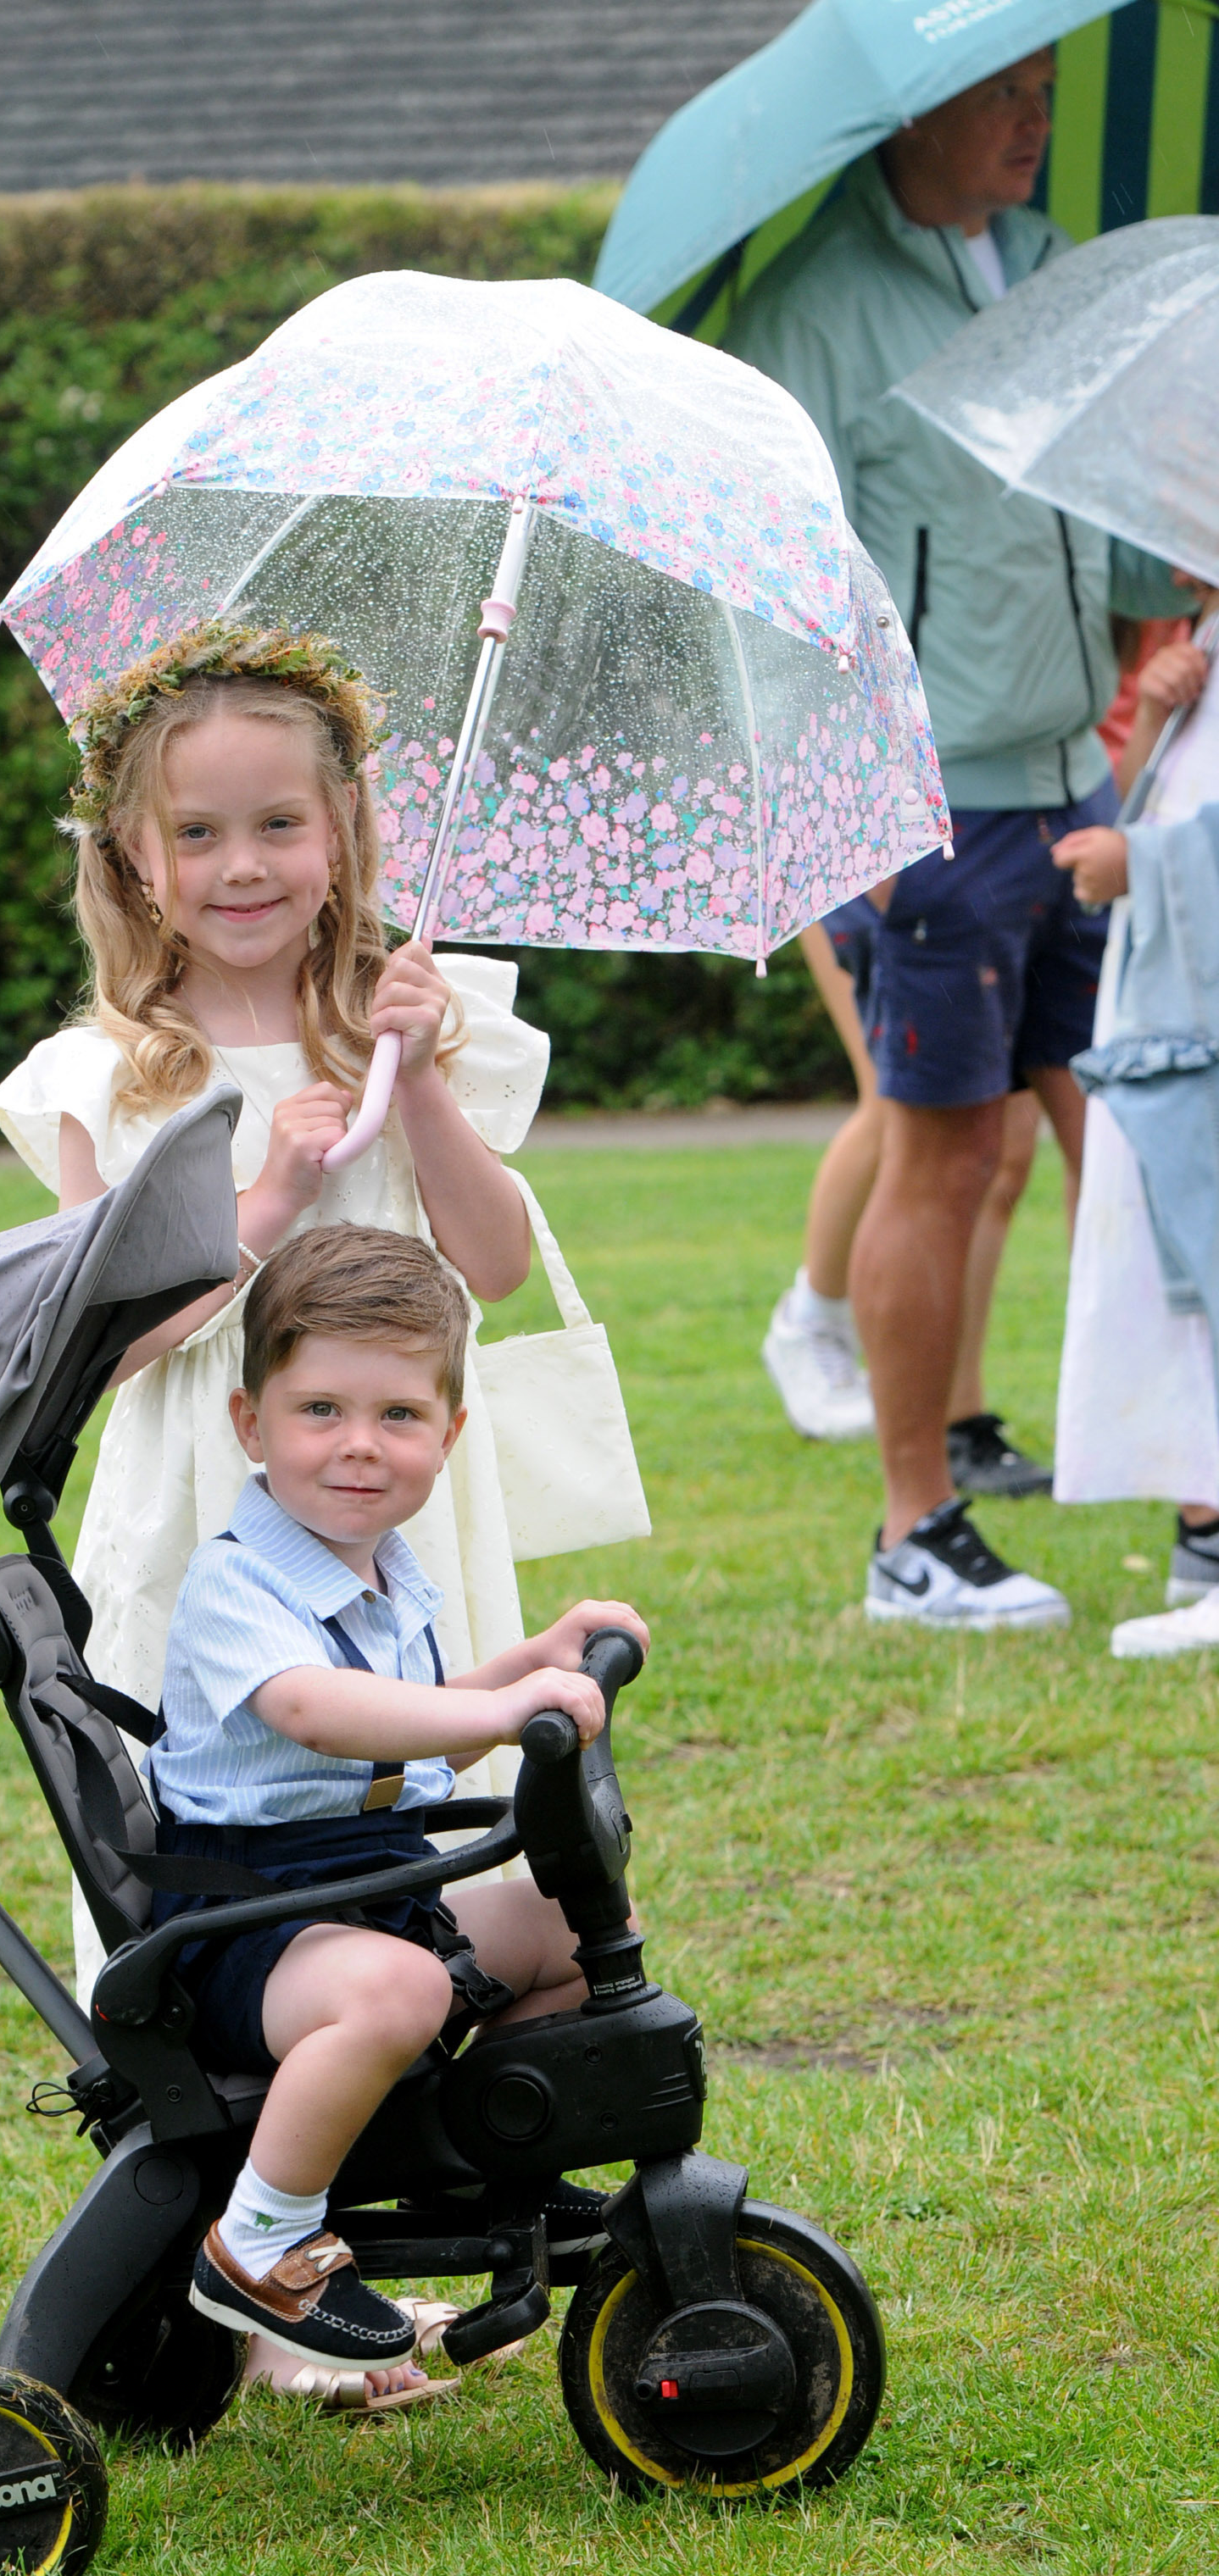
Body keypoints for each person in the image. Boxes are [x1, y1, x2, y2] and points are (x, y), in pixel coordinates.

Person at [0, 621, 548, 2003]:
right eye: (198, 832)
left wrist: (410, 1079)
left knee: (409, 1770)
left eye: (279, 823)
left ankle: (416, 2043)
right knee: (228, 1770)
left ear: (344, 827)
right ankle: (239, 2036)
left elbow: (497, 1264)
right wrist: (264, 1195)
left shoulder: (403, 1026)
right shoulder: (111, 1077)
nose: (242, 866)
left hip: (390, 1479)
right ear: (131, 856)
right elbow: (89, 1340)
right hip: (204, 1482)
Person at [726, 47, 1179, 1627]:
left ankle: (1196, 1492)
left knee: (1132, 1129)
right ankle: (914, 1531)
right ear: (911, 112)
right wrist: (838, 797)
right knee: (946, 1151)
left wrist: (1176, 618)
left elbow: (1121, 534)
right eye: (1006, 94)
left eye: (1046, 89)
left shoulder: (1052, 269)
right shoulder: (809, 314)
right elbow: (768, 582)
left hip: (1082, 781)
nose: (1036, 121)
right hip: (925, 802)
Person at [143, 1224, 649, 2383]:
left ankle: (481, 2158)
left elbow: (405, 1704)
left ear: (450, 1435)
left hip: (360, 1888)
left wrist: (532, 1663)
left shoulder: (381, 1559)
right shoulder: (242, 1581)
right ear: (250, 1424)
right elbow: (324, 1712)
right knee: (402, 1987)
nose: (359, 1448)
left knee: (565, 1928)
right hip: (245, 1926)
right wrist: (502, 1716)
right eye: (320, 1411)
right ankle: (261, 2238)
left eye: (399, 1418)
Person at [1052, 580, 1219, 1657]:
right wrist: (1154, 718)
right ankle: (1204, 1525)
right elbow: (1134, 812)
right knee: (1177, 1272)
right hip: (1167, 1014)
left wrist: (1143, 865)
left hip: (1191, 1021)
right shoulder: (1193, 641)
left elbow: (1148, 844)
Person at [762, 908, 1051, 1497]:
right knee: (900, 1102)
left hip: (997, 859)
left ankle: (961, 1417)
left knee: (1006, 1142)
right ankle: (811, 1321)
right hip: (873, 859)